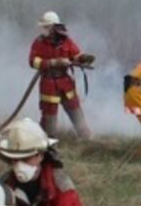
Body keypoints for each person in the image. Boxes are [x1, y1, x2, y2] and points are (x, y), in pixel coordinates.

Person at [29, 11, 95, 139]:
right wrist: (52, 63)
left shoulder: (66, 41)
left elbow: (75, 55)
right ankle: (49, 142)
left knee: (75, 109)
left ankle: (86, 138)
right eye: (43, 27)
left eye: (46, 27)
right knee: (49, 115)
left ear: (54, 27)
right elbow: (32, 61)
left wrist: (83, 58)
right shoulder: (39, 42)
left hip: (65, 83)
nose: (43, 29)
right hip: (48, 84)